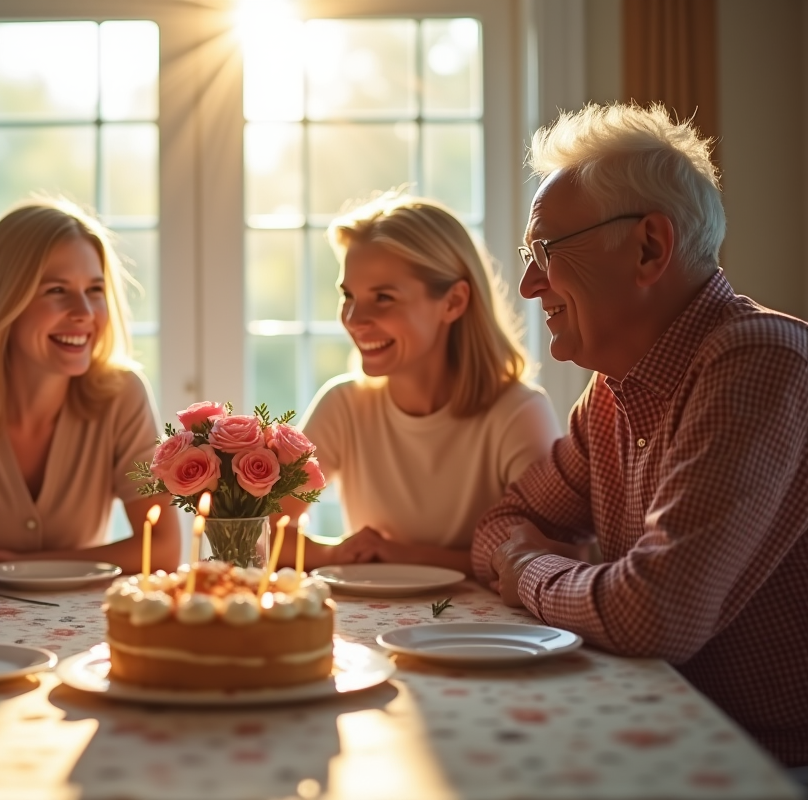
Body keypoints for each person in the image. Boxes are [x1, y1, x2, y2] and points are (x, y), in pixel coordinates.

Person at [473, 102, 808, 768]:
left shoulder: (762, 361)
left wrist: (529, 570)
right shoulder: (612, 392)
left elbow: (653, 616)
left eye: (545, 251)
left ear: (649, 247)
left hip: (764, 766)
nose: (532, 283)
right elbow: (499, 524)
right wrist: (582, 577)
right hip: (665, 739)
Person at [0, 199, 180, 572]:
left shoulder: (122, 396)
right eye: (56, 290)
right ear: (3, 302)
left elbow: (163, 549)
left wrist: (24, 564)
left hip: (84, 629)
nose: (84, 312)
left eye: (94, 289)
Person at [280, 194, 560, 575]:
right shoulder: (344, 404)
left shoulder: (517, 412)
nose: (354, 318)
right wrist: (334, 555)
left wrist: (399, 554)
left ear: (454, 302)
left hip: (487, 632)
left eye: (383, 297)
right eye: (349, 296)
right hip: (371, 629)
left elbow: (549, 555)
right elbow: (266, 526)